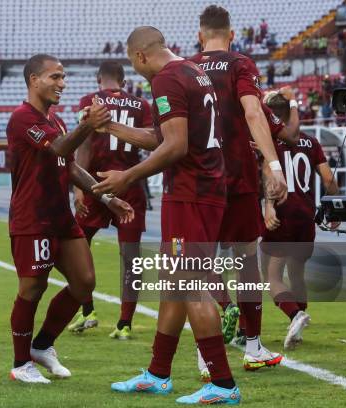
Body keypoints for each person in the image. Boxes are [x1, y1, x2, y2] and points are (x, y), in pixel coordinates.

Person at [93, 26, 241, 404]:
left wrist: (126, 176)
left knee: (190, 287)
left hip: (192, 195)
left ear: (141, 56)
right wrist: (109, 125)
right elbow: (166, 137)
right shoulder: (193, 71)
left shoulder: (166, 78)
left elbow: (174, 147)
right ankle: (158, 373)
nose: (135, 71)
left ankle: (223, 384)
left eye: (133, 63)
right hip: (203, 190)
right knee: (174, 284)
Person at [7, 54, 134, 384]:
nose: (62, 84)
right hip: (32, 218)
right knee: (33, 287)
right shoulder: (22, 118)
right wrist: (87, 125)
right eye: (55, 77)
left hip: (60, 217)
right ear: (34, 80)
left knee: (84, 282)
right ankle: (21, 364)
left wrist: (106, 196)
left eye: (63, 77)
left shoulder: (56, 120)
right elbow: (60, 149)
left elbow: (71, 167)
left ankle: (43, 345)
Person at [188, 5, 288, 375]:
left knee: (198, 265)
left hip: (201, 181)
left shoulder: (186, 67)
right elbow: (253, 112)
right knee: (247, 263)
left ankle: (205, 355)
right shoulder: (240, 64)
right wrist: (274, 164)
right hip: (240, 180)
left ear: (200, 36)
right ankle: (253, 346)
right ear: (232, 35)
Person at [67, 60, 152, 339]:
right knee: (131, 258)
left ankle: (87, 311)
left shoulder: (89, 101)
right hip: (130, 183)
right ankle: (125, 324)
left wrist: (79, 188)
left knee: (78, 248)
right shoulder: (142, 105)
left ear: (98, 79)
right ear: (124, 82)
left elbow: (85, 144)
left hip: (96, 184)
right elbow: (151, 141)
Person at [260, 91, 339, 349]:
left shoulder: (268, 141)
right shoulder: (311, 142)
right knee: (297, 273)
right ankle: (299, 323)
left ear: (271, 115)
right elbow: (328, 179)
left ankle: (295, 315)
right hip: (306, 216)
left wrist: (268, 206)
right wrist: (334, 210)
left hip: (282, 213)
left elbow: (268, 177)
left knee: (271, 276)